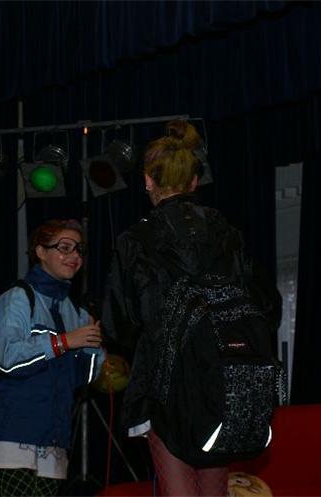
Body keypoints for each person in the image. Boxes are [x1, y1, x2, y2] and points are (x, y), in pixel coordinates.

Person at [102, 121, 281, 496]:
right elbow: (266, 303)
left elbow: (119, 322)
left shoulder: (136, 240)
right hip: (224, 374)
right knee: (214, 486)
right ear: (195, 182)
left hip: (165, 381)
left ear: (148, 181)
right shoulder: (227, 233)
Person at [0, 219, 105, 497]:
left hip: (53, 434)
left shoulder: (75, 310)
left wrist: (93, 346)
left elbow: (83, 378)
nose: (74, 256)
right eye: (64, 247)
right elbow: (8, 358)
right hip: (13, 431)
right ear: (40, 252)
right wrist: (64, 341)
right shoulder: (17, 299)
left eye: (79, 249)